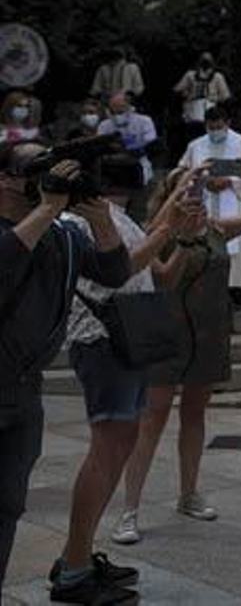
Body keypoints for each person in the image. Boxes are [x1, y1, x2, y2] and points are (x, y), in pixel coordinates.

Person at [115, 163, 241, 543]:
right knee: (151, 422)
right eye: (187, 189)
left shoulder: (217, 228)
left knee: (195, 415)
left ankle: (189, 494)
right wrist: (178, 193)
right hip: (167, 334)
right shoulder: (160, 231)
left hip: (209, 333)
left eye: (198, 189)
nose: (194, 195)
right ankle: (128, 509)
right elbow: (150, 242)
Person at [0, 143, 131, 593]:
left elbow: (115, 272)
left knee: (8, 502)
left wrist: (99, 217)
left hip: (23, 390)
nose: (52, 174)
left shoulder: (62, 235)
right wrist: (49, 206)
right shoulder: (26, 228)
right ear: (5, 179)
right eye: (37, 168)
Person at [56, 156, 179, 590]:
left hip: (121, 343)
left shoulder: (115, 218)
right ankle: (74, 565)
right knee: (107, 446)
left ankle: (80, 553)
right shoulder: (89, 220)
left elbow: (149, 263)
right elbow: (119, 270)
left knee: (120, 441)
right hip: (103, 341)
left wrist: (173, 220)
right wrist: (168, 229)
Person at [178, 105, 241, 299]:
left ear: (228, 123)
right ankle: (207, 285)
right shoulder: (196, 145)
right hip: (205, 201)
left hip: (234, 199)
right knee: (205, 241)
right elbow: (183, 171)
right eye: (210, 127)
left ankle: (236, 286)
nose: (214, 132)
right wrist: (202, 181)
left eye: (218, 127)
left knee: (237, 242)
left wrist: (230, 182)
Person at [97, 92, 158, 185]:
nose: (117, 112)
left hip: (138, 166)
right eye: (114, 108)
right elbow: (100, 148)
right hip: (111, 168)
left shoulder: (145, 121)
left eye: (121, 108)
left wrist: (129, 146)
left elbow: (150, 144)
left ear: (129, 106)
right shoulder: (104, 125)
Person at [173, 53, 231, 149]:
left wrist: (213, 99)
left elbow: (226, 96)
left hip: (210, 113)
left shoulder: (217, 77)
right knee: (192, 140)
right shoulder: (190, 75)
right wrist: (186, 94)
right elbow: (177, 90)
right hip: (192, 113)